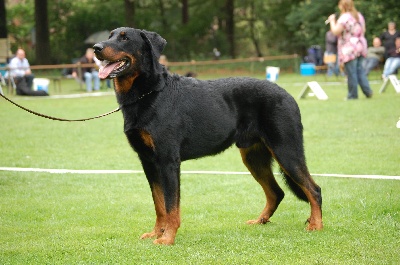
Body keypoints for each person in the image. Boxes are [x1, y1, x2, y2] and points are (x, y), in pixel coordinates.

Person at [327, 0, 373, 100]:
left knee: (351, 72)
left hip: (349, 48)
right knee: (360, 70)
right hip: (360, 45)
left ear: (342, 6)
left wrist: (332, 21)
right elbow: (363, 31)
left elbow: (335, 31)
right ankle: (368, 92)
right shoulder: (359, 16)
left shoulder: (344, 17)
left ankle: (352, 95)